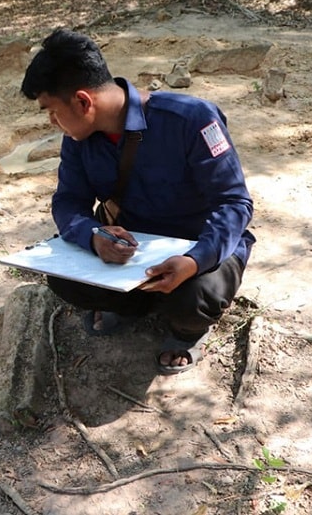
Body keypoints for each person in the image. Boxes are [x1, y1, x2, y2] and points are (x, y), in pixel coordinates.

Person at [19, 28, 255, 374]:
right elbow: (68, 202)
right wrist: (93, 236)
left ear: (83, 102)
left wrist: (194, 260)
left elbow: (234, 203)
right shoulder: (78, 140)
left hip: (198, 247)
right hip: (131, 252)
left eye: (52, 111)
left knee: (196, 297)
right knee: (62, 279)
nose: (52, 122)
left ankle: (186, 331)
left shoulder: (191, 119)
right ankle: (134, 305)